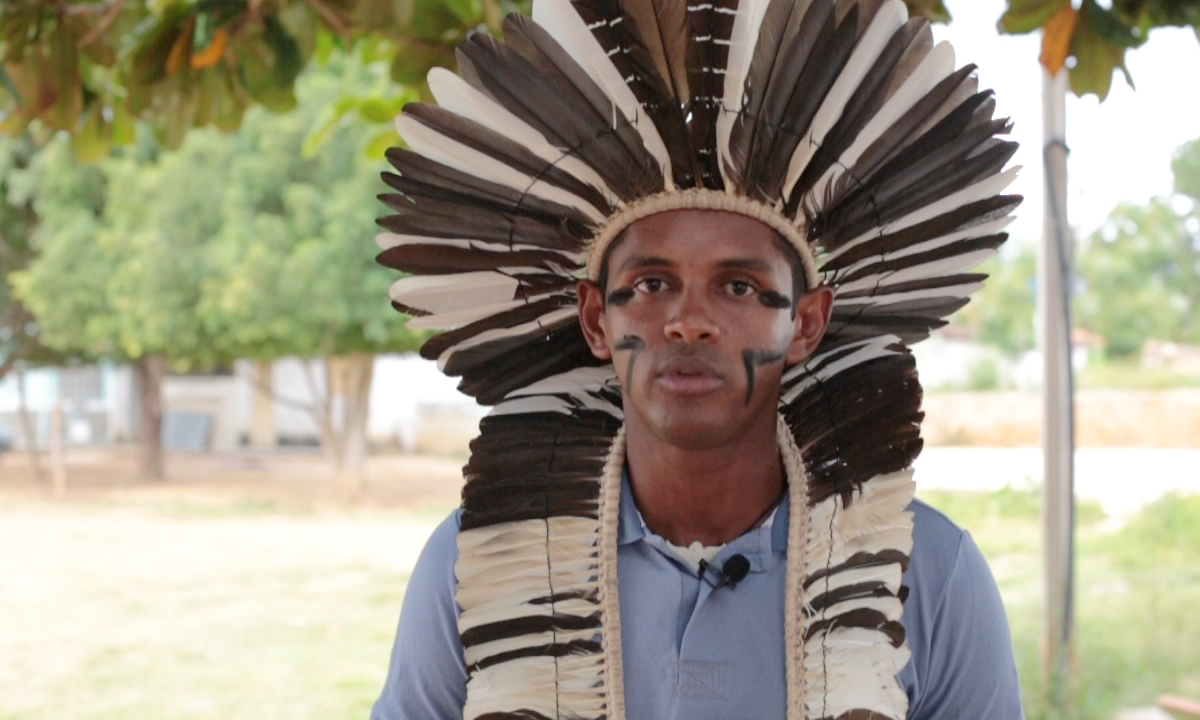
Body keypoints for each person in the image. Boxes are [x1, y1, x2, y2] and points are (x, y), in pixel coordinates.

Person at [369, 1, 1024, 718]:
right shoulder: (479, 566)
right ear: (596, 317)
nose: (688, 322)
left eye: (739, 287)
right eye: (652, 285)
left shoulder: (927, 570)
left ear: (806, 324)